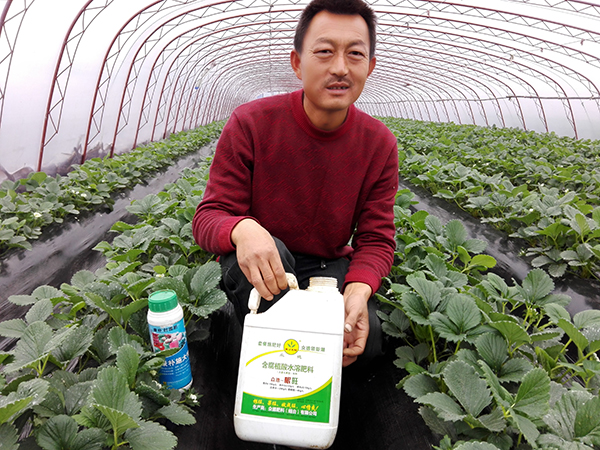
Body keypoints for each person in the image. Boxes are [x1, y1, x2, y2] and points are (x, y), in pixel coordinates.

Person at [192, 0, 398, 367]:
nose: (340, 67)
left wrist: (359, 288)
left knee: (366, 341)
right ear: (297, 63)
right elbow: (209, 216)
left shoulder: (379, 144)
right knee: (268, 320)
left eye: (355, 54)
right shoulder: (251, 123)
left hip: (327, 268)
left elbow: (376, 239)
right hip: (261, 262)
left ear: (370, 66)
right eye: (324, 51)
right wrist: (243, 229)